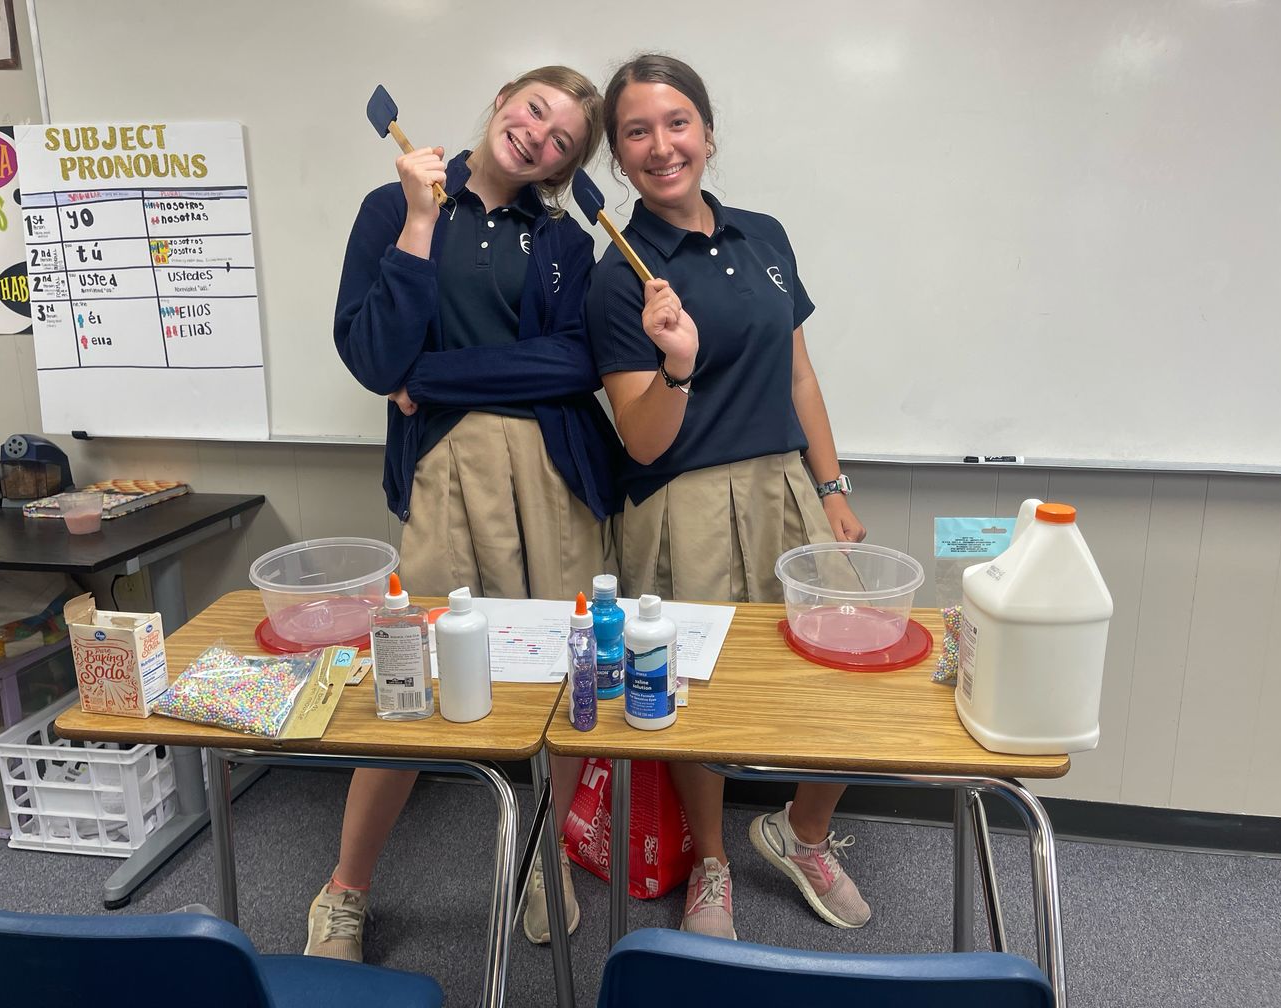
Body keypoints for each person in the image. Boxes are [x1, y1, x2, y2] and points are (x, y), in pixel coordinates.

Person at [321, 65, 621, 962]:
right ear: (501, 102)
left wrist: (435, 378)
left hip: (557, 479)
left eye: (561, 138)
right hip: (444, 480)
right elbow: (375, 356)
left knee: (570, 686)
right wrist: (420, 221)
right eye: (533, 111)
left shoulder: (565, 243)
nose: (537, 135)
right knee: (410, 684)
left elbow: (574, 364)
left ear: (564, 164)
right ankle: (344, 889)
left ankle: (544, 855)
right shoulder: (392, 206)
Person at [586, 54, 871, 941]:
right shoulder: (619, 275)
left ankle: (801, 831)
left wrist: (831, 487)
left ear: (707, 133)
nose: (661, 146)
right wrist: (675, 360)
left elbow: (801, 373)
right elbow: (641, 437)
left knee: (843, 668)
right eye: (637, 131)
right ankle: (710, 860)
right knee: (694, 693)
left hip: (785, 481)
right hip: (684, 500)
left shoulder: (764, 235)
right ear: (617, 156)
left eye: (677, 123)